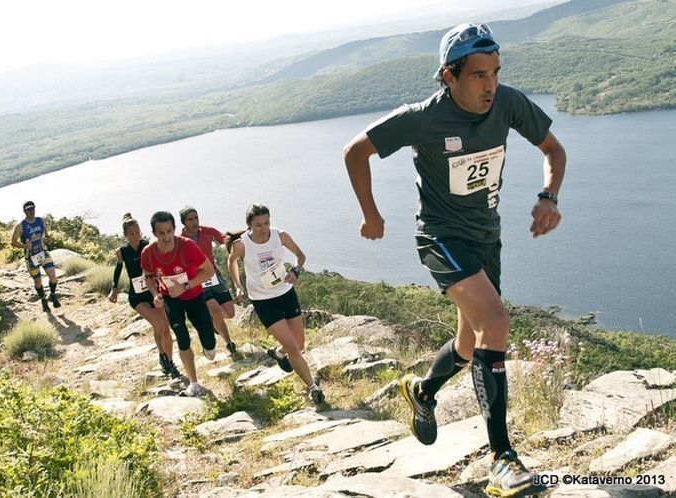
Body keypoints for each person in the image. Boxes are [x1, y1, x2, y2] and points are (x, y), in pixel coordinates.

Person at [343, 23, 566, 497]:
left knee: (469, 345)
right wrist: (371, 214)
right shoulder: (422, 118)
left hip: (487, 238)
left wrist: (548, 196)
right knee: (498, 322)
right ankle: (502, 459)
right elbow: (355, 151)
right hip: (441, 237)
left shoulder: (507, 103)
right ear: (449, 75)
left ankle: (423, 391)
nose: (490, 85)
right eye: (479, 75)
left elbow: (553, 150)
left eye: (496, 73)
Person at [226, 204, 324, 404]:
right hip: (263, 301)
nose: (263, 229)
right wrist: (237, 286)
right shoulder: (242, 245)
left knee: (300, 343)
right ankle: (313, 387)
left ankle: (278, 353)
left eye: (266, 223)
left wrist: (295, 271)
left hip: (286, 293)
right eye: (258, 225)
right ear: (249, 226)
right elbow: (231, 261)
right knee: (294, 348)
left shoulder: (280, 236)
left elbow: (300, 256)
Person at [141, 211, 217, 397]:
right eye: (161, 233)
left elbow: (209, 271)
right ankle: (194, 383)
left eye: (169, 231)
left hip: (194, 295)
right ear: (154, 233)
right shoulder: (149, 253)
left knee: (209, 340)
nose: (166, 237)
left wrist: (185, 286)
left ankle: (208, 345)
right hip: (170, 299)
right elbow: (148, 276)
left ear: (174, 229)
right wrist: (155, 295)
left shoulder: (187, 246)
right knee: (181, 335)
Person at [109, 213, 180, 378]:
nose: (135, 236)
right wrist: (114, 288)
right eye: (131, 234)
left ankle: (170, 363)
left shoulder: (147, 246)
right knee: (158, 325)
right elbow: (118, 269)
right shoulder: (122, 251)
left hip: (153, 292)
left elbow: (159, 263)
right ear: (126, 235)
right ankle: (163, 356)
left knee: (166, 328)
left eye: (138, 232)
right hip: (137, 297)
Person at [179, 206, 238, 356]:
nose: (194, 222)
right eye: (190, 219)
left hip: (214, 276)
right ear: (183, 223)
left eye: (196, 218)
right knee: (216, 310)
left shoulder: (208, 231)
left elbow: (225, 239)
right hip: (198, 280)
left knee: (230, 313)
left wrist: (242, 235)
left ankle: (211, 320)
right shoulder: (180, 241)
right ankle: (229, 344)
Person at [11, 201, 61, 312]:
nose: (31, 211)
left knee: (52, 275)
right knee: (38, 281)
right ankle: (43, 300)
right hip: (31, 257)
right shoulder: (20, 226)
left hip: (43, 252)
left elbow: (46, 236)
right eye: (28, 210)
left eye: (32, 209)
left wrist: (47, 239)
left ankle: (52, 295)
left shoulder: (41, 221)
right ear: (24, 211)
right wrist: (24, 245)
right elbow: (13, 242)